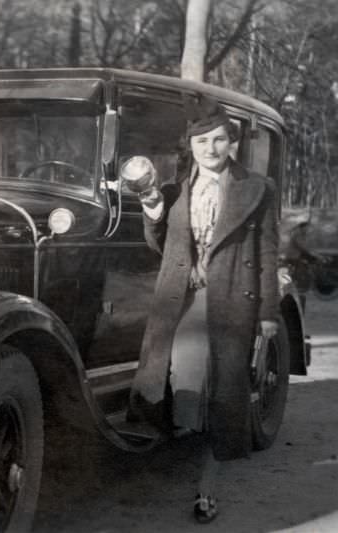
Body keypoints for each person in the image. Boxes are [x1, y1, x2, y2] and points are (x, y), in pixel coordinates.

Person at [120, 93, 279, 524]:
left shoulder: (258, 190)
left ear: (233, 143)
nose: (211, 148)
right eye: (202, 141)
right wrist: (152, 207)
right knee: (174, 384)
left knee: (214, 390)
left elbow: (266, 254)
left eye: (219, 140)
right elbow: (160, 245)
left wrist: (268, 314)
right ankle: (183, 456)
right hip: (179, 300)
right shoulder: (175, 191)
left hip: (231, 298)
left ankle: (207, 486)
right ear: (190, 147)